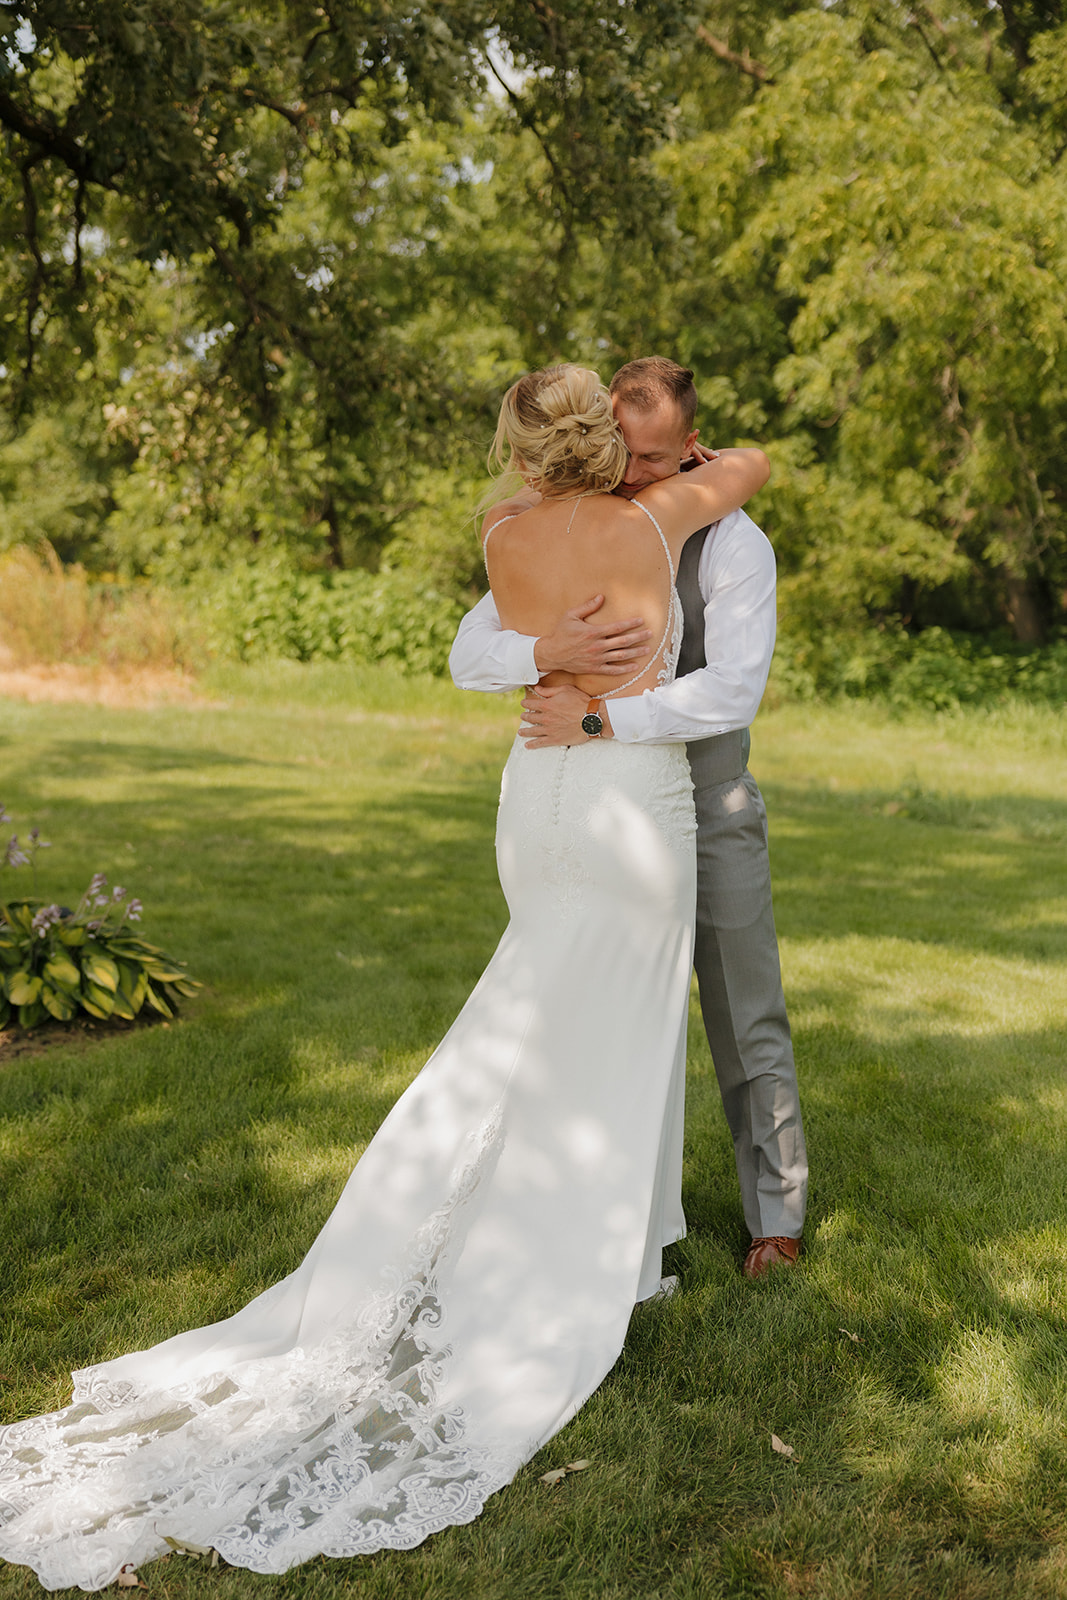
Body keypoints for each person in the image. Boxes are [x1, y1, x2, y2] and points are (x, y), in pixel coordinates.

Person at [0, 366, 769, 1592]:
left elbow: (490, 626)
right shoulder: (649, 521)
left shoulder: (501, 528)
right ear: (607, 442)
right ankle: (580, 1266)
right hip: (627, 804)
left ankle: (624, 1252)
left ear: (519, 455)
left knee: (542, 1021)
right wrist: (672, 475)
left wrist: (538, 637)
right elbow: (749, 467)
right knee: (612, 1032)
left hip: (536, 800)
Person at [450, 357, 807, 1278]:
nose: (632, 472)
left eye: (651, 458)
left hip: (704, 800)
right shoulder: (573, 524)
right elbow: (474, 649)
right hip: (600, 802)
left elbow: (732, 691)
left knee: (743, 1009)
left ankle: (775, 1216)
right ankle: (584, 1204)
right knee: (591, 1008)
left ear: (691, 450)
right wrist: (546, 647)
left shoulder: (735, 544)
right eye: (621, 452)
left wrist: (604, 715)